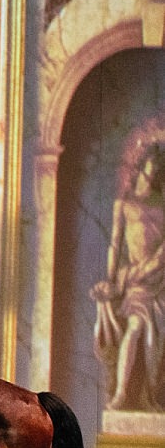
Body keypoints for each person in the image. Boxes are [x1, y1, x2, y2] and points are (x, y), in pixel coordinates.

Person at [91, 146, 165, 411]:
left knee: (155, 333)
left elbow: (161, 256)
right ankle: (122, 393)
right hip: (136, 286)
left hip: (159, 282)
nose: (154, 169)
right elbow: (115, 245)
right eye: (152, 164)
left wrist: (131, 276)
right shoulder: (124, 204)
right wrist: (112, 282)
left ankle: (151, 395)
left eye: (160, 166)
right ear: (142, 165)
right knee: (136, 328)